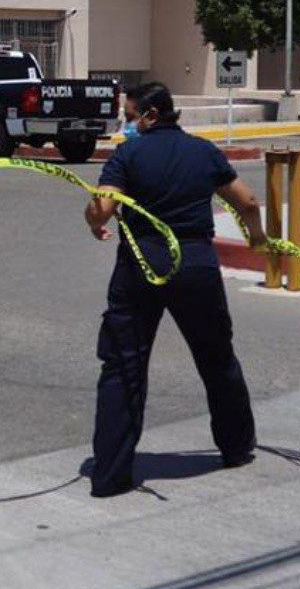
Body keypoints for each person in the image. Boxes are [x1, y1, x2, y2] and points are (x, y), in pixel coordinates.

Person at [83, 81, 265, 497]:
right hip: (195, 265)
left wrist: (94, 221)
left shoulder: (127, 155)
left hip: (140, 267)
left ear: (149, 115)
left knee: (123, 366)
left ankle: (110, 476)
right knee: (217, 357)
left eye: (129, 117)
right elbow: (248, 201)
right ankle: (236, 447)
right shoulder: (203, 152)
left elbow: (104, 208)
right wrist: (257, 238)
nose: (126, 126)